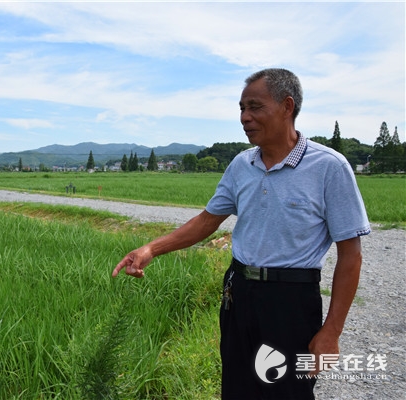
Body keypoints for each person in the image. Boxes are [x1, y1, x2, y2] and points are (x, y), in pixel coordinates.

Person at [112, 68, 370, 400]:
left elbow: (351, 254)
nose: (244, 117)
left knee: (287, 391)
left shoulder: (329, 167)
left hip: (289, 302)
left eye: (254, 107)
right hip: (239, 292)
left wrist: (331, 331)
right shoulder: (241, 165)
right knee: (237, 387)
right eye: (241, 108)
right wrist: (151, 249)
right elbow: (207, 221)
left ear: (287, 106)